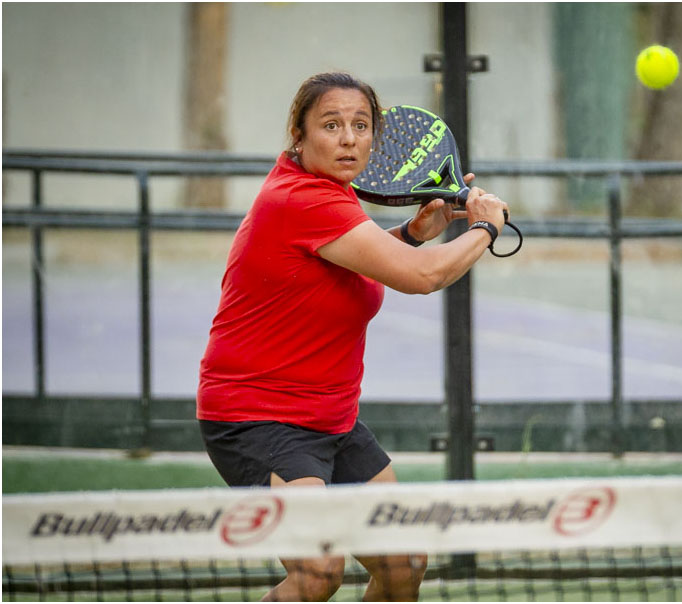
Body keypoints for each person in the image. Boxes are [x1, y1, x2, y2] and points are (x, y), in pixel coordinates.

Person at [196, 72, 509, 601]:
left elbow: (341, 264)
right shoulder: (304, 198)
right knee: (318, 573)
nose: (348, 139)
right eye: (331, 125)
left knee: (403, 564)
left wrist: (410, 234)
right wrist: (486, 227)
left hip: (331, 418)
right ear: (298, 135)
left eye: (361, 126)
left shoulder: (327, 194)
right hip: (257, 417)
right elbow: (423, 277)